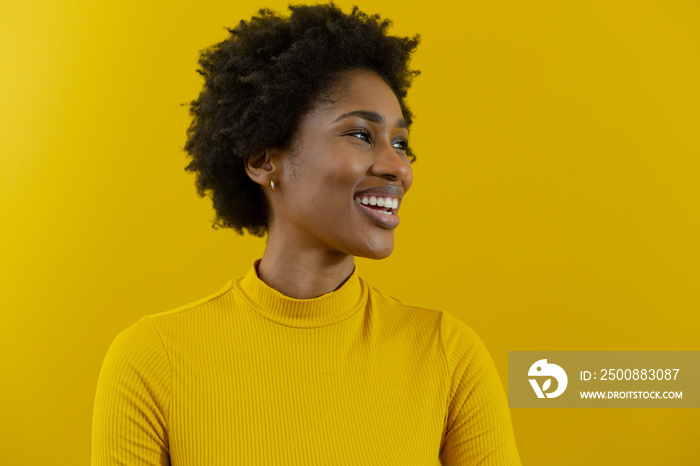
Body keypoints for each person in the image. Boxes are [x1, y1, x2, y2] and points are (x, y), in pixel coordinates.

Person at [91, 4, 522, 465]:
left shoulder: (447, 354)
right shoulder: (154, 359)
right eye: (360, 135)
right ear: (263, 161)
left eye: (401, 143)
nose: (399, 167)